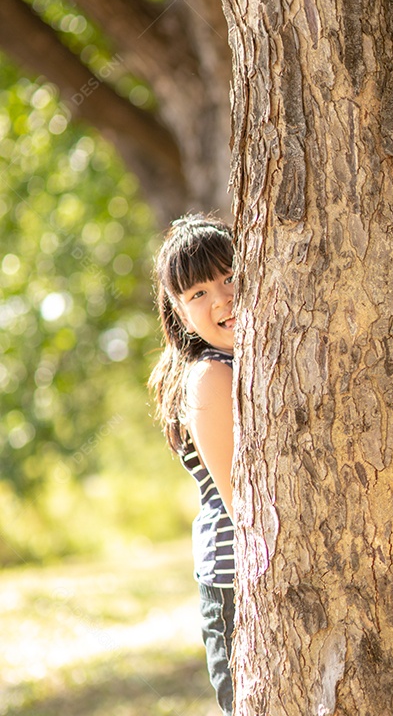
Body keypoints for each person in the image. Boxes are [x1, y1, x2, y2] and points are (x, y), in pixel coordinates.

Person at [148, 214, 237, 715]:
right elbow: (238, 500)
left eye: (229, 277)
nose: (221, 298)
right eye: (198, 293)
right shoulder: (210, 375)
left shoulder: (252, 361)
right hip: (235, 584)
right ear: (181, 315)